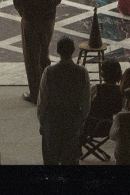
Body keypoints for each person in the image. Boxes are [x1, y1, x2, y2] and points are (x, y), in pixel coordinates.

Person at [14, 0, 64, 104]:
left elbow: (17, 1)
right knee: (44, 54)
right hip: (48, 21)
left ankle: (35, 94)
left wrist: (24, 14)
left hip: (30, 21)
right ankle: (46, 91)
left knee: (31, 57)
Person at [37, 37, 91, 165]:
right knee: (70, 159)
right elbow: (86, 101)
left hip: (52, 120)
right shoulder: (82, 72)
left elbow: (42, 101)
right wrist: (81, 120)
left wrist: (42, 121)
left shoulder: (49, 72)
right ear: (73, 50)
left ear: (57, 51)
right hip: (72, 120)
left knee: (50, 160)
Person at [80, 59, 124, 144]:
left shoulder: (96, 89)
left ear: (103, 74)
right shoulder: (121, 92)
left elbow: (85, 104)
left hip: (92, 126)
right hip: (110, 127)